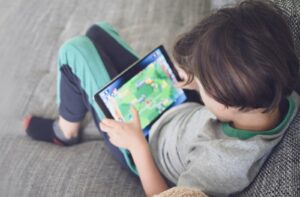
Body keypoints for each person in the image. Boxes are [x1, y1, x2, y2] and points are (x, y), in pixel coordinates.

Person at [23, 0, 300, 196]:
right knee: (98, 32)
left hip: (140, 140)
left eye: (204, 83)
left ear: (225, 99)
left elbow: (166, 195)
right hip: (174, 107)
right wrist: (193, 84)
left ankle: (65, 131)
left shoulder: (222, 165)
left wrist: (137, 146)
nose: (197, 81)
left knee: (74, 51)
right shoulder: (279, 95)